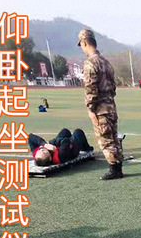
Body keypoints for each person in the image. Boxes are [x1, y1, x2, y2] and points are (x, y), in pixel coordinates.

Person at [78, 28, 124, 180]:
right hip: (111, 106)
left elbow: (91, 88)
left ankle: (114, 169)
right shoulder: (106, 62)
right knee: (114, 138)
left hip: (100, 108)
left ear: (84, 43)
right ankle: (117, 167)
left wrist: (90, 109)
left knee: (105, 139)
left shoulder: (90, 63)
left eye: (81, 45)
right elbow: (113, 86)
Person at [28, 128, 93, 166]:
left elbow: (30, 137)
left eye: (40, 150)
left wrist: (44, 144)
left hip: (60, 145)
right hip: (72, 149)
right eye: (44, 152)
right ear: (50, 158)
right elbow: (65, 141)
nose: (42, 149)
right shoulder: (60, 156)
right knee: (78, 132)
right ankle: (86, 148)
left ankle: (58, 141)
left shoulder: (37, 153)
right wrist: (52, 143)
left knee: (65, 131)